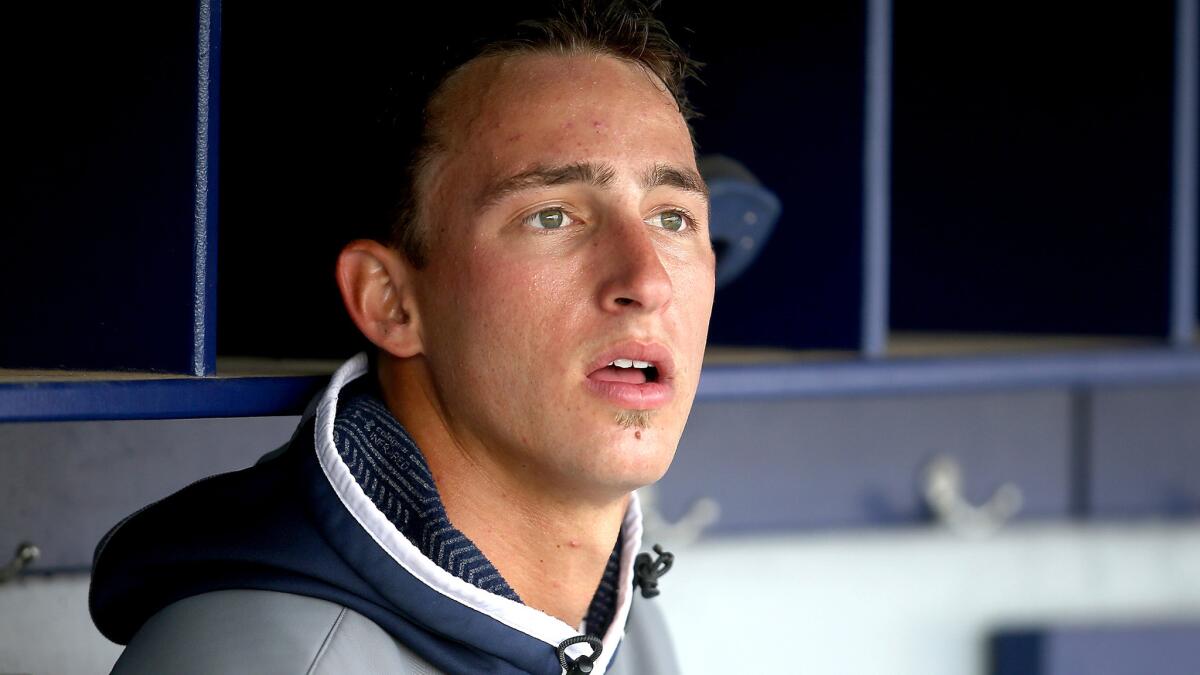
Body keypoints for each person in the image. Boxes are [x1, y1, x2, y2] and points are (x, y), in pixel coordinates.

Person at [89, 1, 715, 673]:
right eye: (553, 215)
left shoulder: (621, 625)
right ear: (390, 301)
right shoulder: (269, 659)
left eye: (672, 217)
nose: (646, 278)